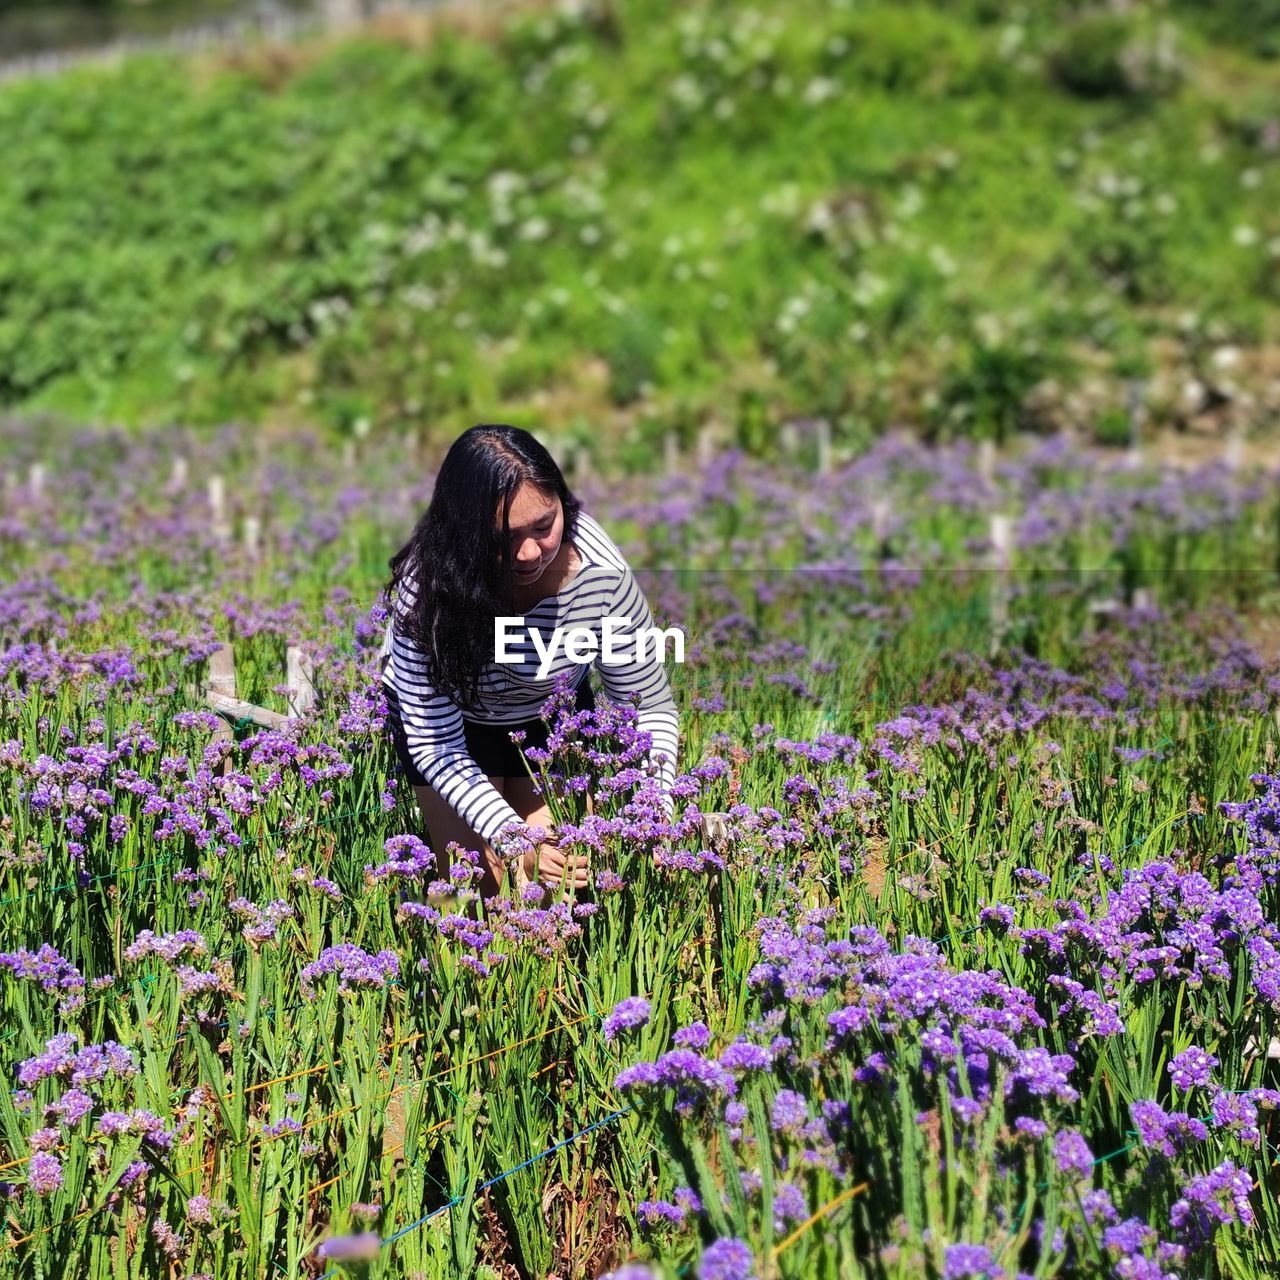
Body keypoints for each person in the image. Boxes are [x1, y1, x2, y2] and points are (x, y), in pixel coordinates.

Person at [378, 424, 680, 903]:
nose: (528, 553)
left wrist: (657, 807)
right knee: (475, 896)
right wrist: (513, 839)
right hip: (454, 731)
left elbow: (646, 707)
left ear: (563, 500)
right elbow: (436, 744)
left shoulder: (601, 575)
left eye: (544, 526)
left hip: (546, 721)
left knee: (564, 884)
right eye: (501, 538)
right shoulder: (429, 586)